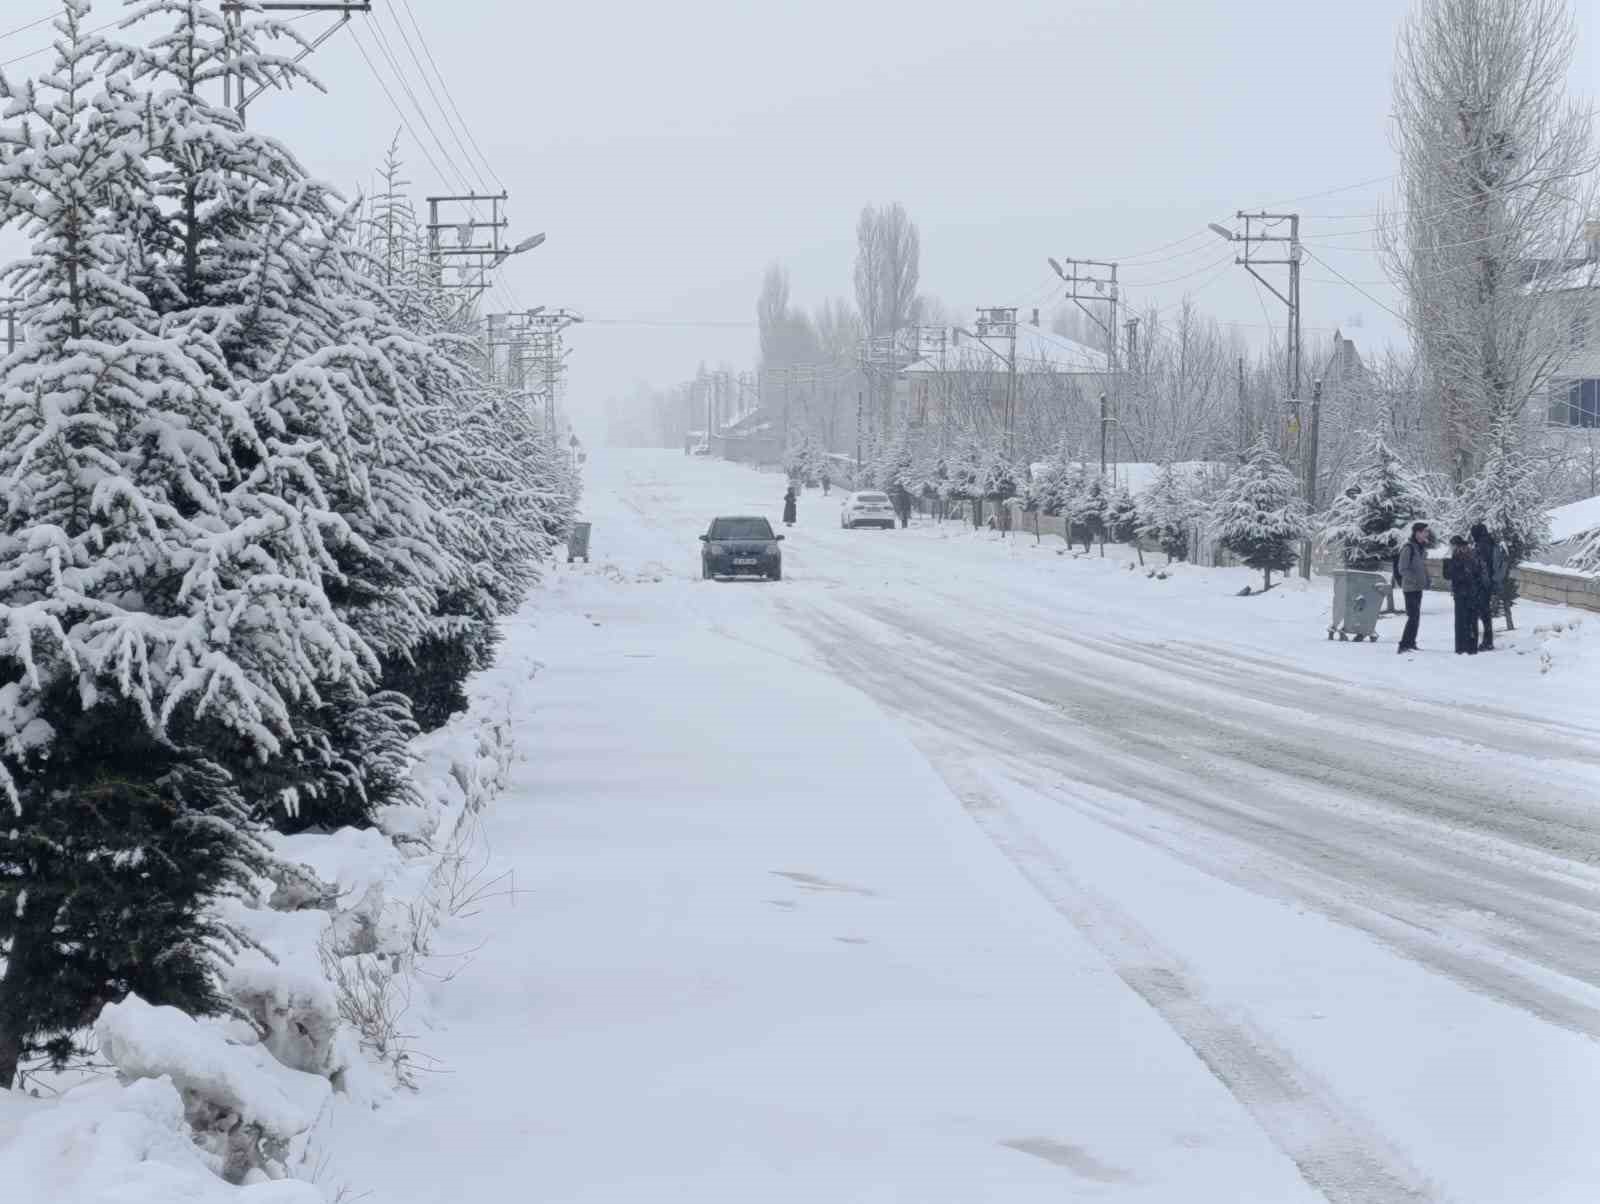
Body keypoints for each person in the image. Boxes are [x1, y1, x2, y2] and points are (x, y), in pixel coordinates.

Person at [1442, 535, 1487, 655]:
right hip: (1472, 592)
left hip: (1464, 592)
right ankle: (1471, 647)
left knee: (1462, 620)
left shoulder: (1460, 557)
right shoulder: (1471, 555)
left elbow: (1448, 574)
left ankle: (1462, 647)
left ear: (1456, 546)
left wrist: (1448, 562)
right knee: (1471, 620)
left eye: (1452, 546)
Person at [1468, 522, 1506, 651]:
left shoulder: (1481, 546)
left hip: (1482, 584)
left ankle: (1487, 641)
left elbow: (1480, 566)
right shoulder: (1491, 543)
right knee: (1485, 613)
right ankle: (1487, 640)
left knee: (1483, 613)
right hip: (1489, 583)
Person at [1395, 521, 1431, 654]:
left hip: (1418, 588)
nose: (1427, 533)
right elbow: (1402, 569)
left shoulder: (1420, 548)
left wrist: (1426, 579)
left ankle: (1411, 642)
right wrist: (1415, 580)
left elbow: (1421, 567)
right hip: (1410, 588)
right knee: (1413, 616)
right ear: (1417, 532)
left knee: (1416, 617)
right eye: (1425, 531)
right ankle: (1403, 645)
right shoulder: (1408, 548)